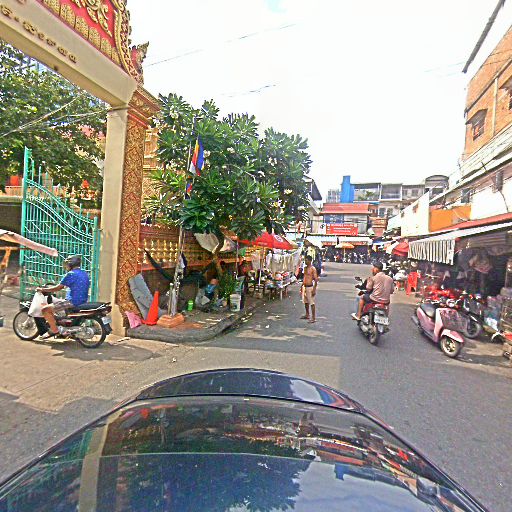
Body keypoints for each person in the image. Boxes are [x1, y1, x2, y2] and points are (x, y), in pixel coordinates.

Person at [36, 255, 90, 339]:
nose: (66, 267)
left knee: (45, 309)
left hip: (72, 302)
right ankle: (62, 325)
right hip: (82, 300)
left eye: (67, 264)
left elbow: (58, 287)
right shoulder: (84, 273)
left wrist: (43, 289)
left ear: (71, 264)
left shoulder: (71, 274)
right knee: (57, 304)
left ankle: (55, 331)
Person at [301, 255, 318, 323]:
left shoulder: (313, 269)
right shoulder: (305, 268)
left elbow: (316, 279)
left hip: (310, 287)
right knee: (305, 302)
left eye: (307, 260)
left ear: (310, 261)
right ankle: (307, 314)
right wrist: (302, 286)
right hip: (305, 286)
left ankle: (313, 318)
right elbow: (304, 277)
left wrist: (314, 289)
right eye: (305, 260)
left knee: (311, 303)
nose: (305, 261)